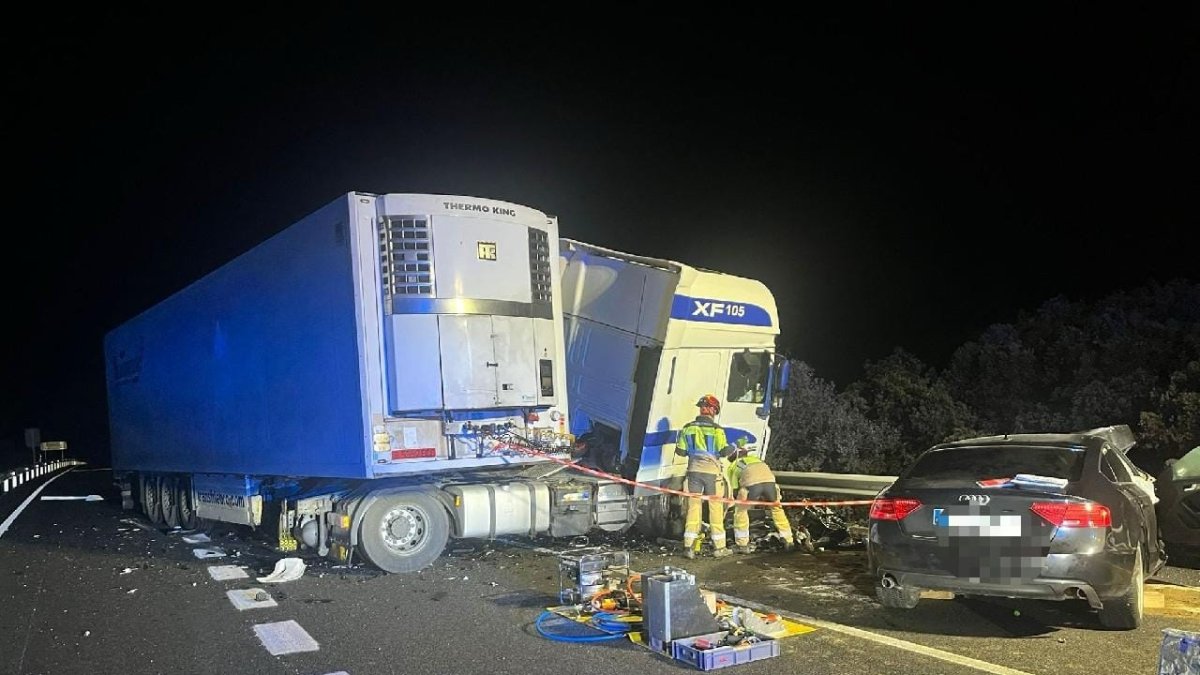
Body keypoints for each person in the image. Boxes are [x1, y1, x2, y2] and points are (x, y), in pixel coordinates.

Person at [675, 394, 736, 559]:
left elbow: (680, 451)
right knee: (715, 509)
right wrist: (734, 447)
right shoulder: (717, 430)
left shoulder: (687, 428)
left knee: (693, 508)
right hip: (712, 474)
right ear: (713, 410)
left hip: (693, 472)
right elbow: (723, 452)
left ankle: (689, 547)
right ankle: (719, 548)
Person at [725, 440, 794, 554]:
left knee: (741, 511)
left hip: (751, 487)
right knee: (777, 509)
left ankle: (742, 545)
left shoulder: (733, 466)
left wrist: (739, 500)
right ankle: (788, 540)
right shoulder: (758, 460)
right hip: (771, 486)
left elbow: (736, 489)